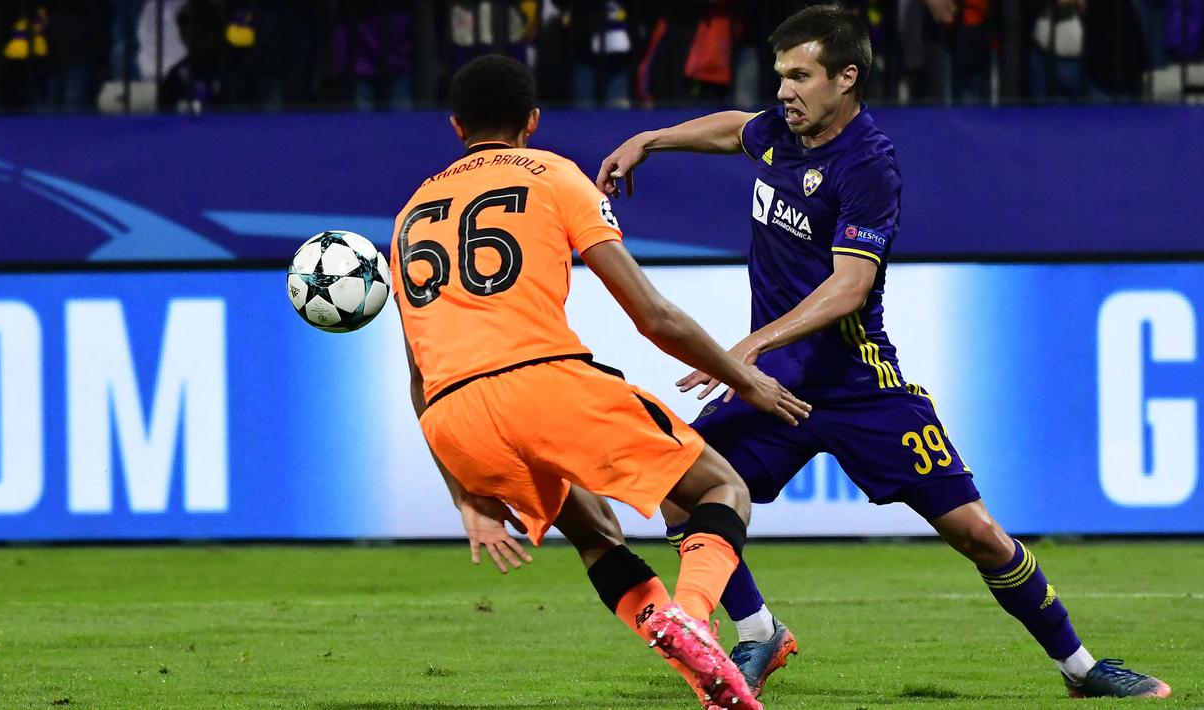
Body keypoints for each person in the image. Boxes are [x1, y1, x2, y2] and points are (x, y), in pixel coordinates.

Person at [596, 4, 1172, 701]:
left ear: (846, 77)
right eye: (780, 75)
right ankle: (758, 633)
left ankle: (1081, 670)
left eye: (799, 76)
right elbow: (731, 129)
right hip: (776, 383)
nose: (783, 90)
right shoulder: (781, 129)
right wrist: (651, 139)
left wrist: (752, 341)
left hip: (856, 385)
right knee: (680, 489)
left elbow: (849, 286)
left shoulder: (868, 163)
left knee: (979, 534)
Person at [391, 53, 814, 710]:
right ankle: (693, 615)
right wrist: (746, 380)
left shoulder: (408, 216)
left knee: (594, 535)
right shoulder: (553, 176)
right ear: (532, 120)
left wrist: (463, 498)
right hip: (539, 381)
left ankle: (708, 678)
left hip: (454, 420)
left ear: (454, 126)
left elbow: (419, 379)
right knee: (721, 486)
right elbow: (652, 315)